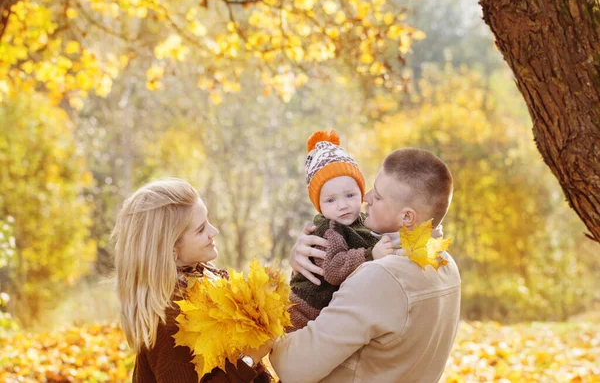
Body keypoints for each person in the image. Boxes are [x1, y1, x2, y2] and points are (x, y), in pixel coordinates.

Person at [270, 148, 461, 382]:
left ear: (407, 218)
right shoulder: (445, 264)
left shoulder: (380, 276)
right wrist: (310, 259)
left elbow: (292, 367)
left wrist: (271, 332)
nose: (366, 197)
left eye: (378, 196)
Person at [112, 178, 272, 383]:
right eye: (200, 229)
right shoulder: (168, 321)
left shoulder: (204, 277)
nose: (214, 232)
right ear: (170, 249)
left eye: (208, 221)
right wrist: (249, 359)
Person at [288, 130, 394, 331]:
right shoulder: (328, 229)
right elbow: (334, 269)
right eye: (331, 200)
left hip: (329, 311)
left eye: (350, 195)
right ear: (318, 204)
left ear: (361, 193)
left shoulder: (361, 220)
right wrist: (372, 255)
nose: (343, 205)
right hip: (306, 310)